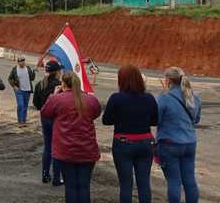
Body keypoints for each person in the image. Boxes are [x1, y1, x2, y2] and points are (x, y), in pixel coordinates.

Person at [41, 72, 101, 203]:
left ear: (63, 84)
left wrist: (54, 94)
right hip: (87, 148)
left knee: (71, 186)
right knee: (84, 186)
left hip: (65, 149)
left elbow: (45, 112)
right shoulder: (91, 100)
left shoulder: (57, 99)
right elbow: (96, 113)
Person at [102, 65, 158, 203]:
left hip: (123, 143)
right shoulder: (149, 98)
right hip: (145, 142)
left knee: (126, 185)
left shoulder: (116, 98)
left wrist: (120, 118)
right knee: (144, 183)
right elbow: (155, 121)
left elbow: (106, 120)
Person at [156, 67, 202, 203]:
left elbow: (156, 120)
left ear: (168, 80)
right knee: (189, 180)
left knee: (174, 181)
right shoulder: (194, 97)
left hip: (170, 143)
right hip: (190, 143)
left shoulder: (164, 97)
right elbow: (196, 120)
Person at [33, 60, 63, 185]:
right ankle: (57, 177)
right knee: (57, 148)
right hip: (56, 119)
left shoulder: (40, 84)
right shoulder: (59, 85)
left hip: (44, 118)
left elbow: (36, 103)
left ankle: (45, 174)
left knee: (48, 147)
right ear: (57, 72)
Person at [8, 57, 36, 126]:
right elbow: (9, 78)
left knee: (25, 106)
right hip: (19, 90)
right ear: (18, 62)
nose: (22, 63)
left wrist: (34, 72)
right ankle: (19, 121)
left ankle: (23, 121)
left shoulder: (28, 68)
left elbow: (32, 78)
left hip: (27, 90)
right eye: (20, 61)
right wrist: (14, 86)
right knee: (21, 105)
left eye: (23, 61)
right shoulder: (15, 69)